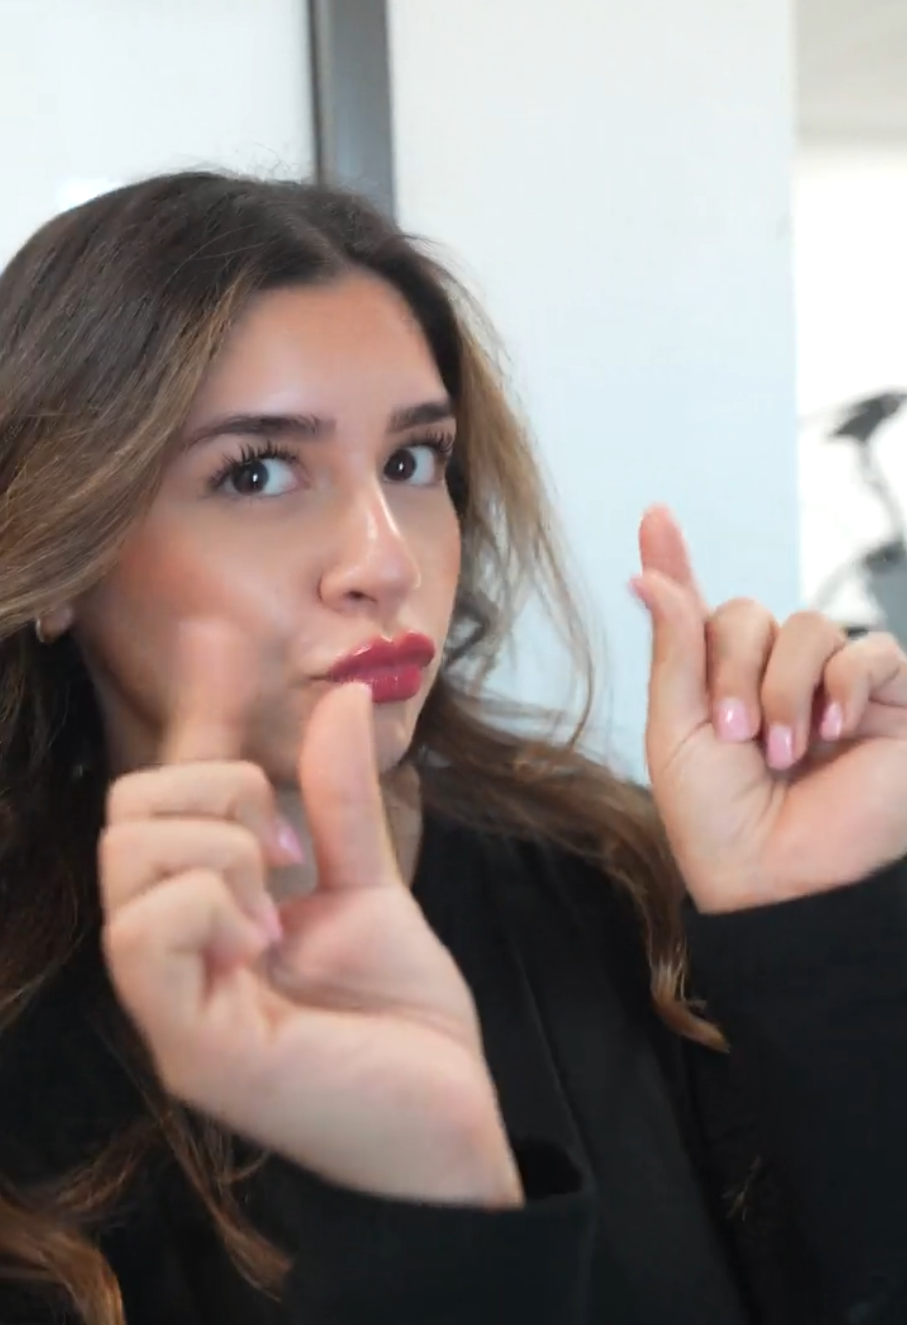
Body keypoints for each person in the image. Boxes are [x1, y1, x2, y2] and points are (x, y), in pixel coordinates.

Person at [0, 171, 904, 1325]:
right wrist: (430, 1207)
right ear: (60, 552)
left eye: (411, 463)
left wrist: (816, 933)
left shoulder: (627, 893)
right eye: (256, 471)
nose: (383, 558)